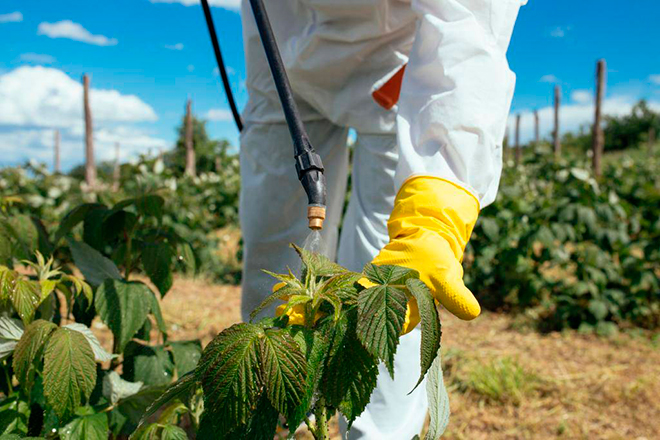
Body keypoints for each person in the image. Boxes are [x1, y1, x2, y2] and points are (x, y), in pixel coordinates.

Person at [239, 0, 526, 438]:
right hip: (279, 43)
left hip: (399, 63)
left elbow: (472, 22)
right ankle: (273, 412)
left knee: (389, 275)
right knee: (272, 247)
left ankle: (378, 432)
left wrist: (433, 212)